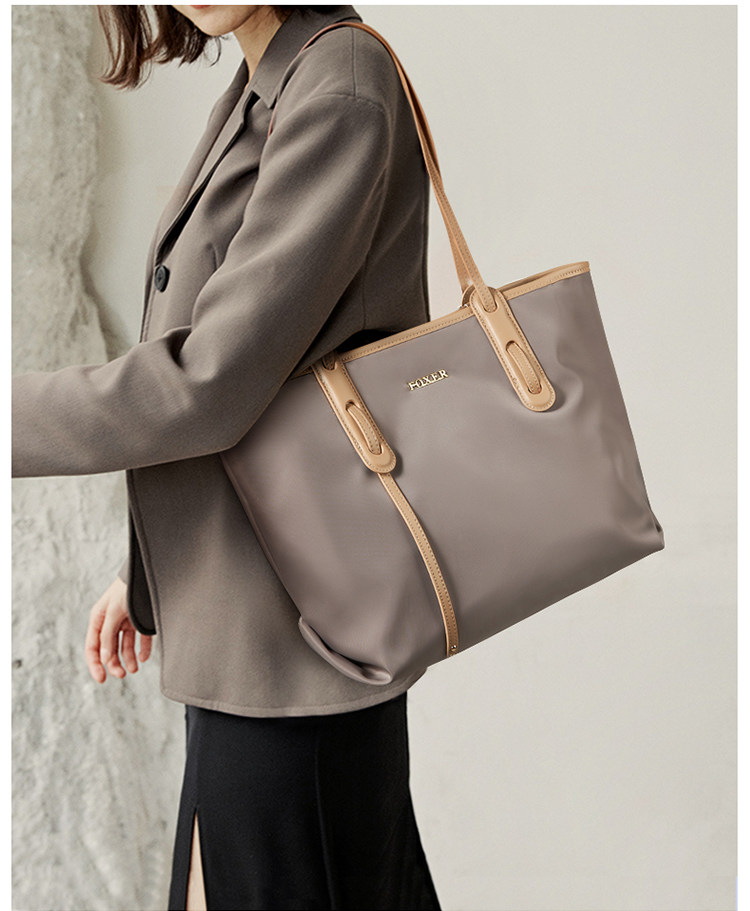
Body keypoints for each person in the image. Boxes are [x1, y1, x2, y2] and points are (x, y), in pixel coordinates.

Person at [12, 4, 441, 910]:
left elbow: (208, 382)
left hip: (298, 650)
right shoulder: (268, 79)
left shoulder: (339, 84)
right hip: (257, 631)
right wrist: (148, 574)